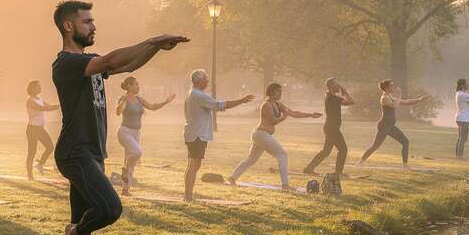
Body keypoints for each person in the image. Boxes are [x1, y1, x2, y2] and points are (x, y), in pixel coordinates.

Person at [51, 0, 187, 235]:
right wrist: (153, 39)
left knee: (83, 232)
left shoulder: (89, 64)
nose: (94, 26)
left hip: (92, 153)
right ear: (69, 26)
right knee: (110, 209)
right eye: (87, 22)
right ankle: (76, 233)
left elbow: (126, 65)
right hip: (75, 152)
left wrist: (156, 49)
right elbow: (113, 58)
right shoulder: (67, 63)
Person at [227, 83, 320, 189]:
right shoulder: (266, 105)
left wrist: (311, 115)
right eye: (278, 91)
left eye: (281, 91)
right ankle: (285, 185)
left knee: (251, 159)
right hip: (261, 134)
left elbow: (294, 113)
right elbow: (272, 122)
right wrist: (283, 117)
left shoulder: (278, 104)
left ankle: (232, 178)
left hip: (261, 135)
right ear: (271, 92)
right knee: (282, 155)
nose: (280, 93)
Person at [183, 69, 254, 202]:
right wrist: (242, 100)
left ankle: (188, 195)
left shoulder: (191, 93)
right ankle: (188, 196)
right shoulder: (199, 95)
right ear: (198, 81)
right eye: (206, 79)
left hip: (194, 133)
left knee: (193, 164)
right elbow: (220, 105)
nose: (208, 81)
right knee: (193, 164)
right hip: (197, 135)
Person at [114, 77, 175, 195]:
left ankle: (125, 190)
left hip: (136, 133)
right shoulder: (123, 98)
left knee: (130, 160)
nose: (138, 87)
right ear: (129, 86)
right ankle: (125, 170)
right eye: (136, 85)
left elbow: (152, 106)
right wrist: (124, 101)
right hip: (124, 132)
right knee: (137, 153)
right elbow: (118, 112)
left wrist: (166, 102)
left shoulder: (139, 99)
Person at [359, 79, 425, 168]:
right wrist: (399, 95)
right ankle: (360, 162)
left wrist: (419, 100)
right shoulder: (384, 98)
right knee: (375, 146)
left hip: (391, 126)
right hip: (384, 125)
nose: (393, 87)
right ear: (386, 88)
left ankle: (405, 166)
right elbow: (394, 106)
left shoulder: (390, 96)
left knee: (405, 142)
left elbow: (405, 102)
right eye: (391, 85)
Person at [303, 77, 355, 176]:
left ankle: (309, 169)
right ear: (331, 86)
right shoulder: (333, 97)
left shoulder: (332, 96)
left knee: (326, 151)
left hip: (331, 127)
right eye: (337, 84)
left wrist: (343, 90)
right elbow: (351, 102)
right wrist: (344, 91)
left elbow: (349, 102)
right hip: (332, 128)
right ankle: (338, 172)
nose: (338, 86)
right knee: (343, 149)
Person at [25, 80, 59, 180]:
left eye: (39, 86)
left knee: (50, 147)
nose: (40, 88)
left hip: (40, 129)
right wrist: (61, 105)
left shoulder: (40, 99)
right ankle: (30, 176)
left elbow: (49, 106)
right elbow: (43, 108)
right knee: (32, 151)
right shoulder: (30, 101)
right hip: (32, 129)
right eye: (37, 86)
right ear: (32, 88)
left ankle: (40, 164)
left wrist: (60, 104)